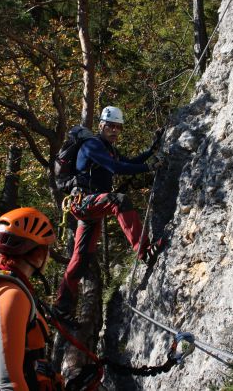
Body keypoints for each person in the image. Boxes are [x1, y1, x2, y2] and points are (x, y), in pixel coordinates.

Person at [53, 106, 163, 320]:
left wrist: (150, 151)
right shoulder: (92, 145)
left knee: (81, 258)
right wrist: (149, 167)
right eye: (111, 126)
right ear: (101, 125)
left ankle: (62, 306)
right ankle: (144, 251)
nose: (114, 131)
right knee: (119, 201)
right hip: (83, 202)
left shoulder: (107, 148)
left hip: (90, 207)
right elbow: (115, 168)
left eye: (118, 127)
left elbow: (126, 163)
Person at [0, 207, 64, 390]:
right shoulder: (12, 294)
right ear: (37, 254)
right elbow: (10, 382)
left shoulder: (2, 284)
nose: (48, 256)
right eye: (46, 249)